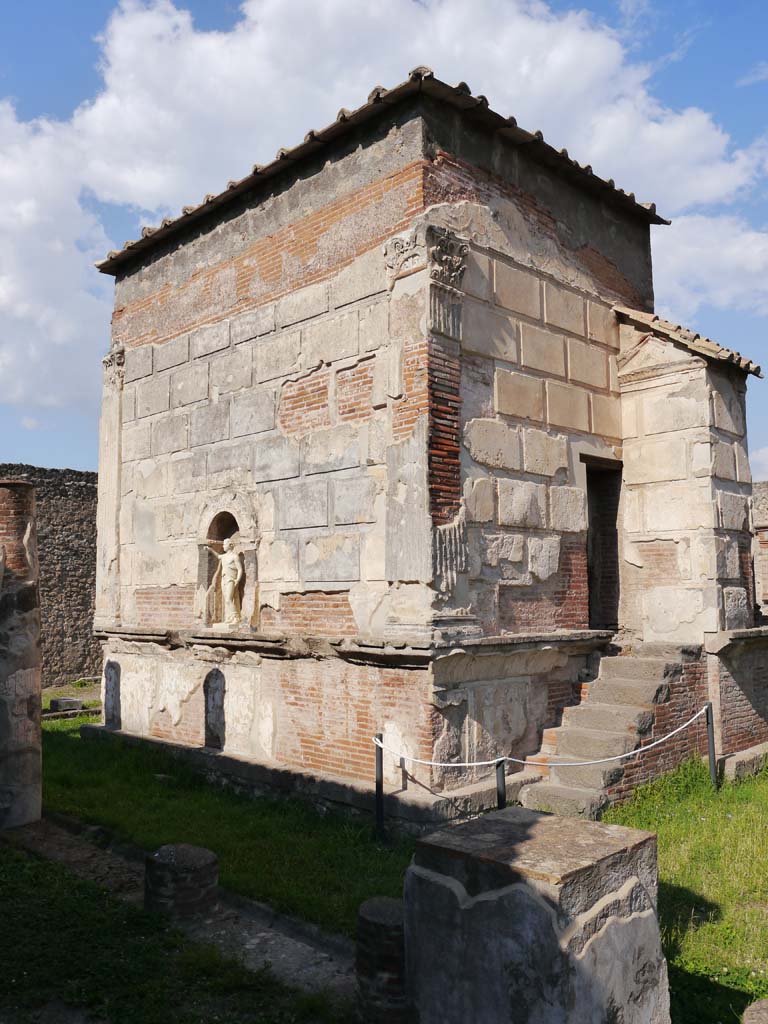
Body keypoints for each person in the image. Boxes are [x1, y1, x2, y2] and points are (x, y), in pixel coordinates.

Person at [206, 538, 244, 625]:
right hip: (224, 579)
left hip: (231, 580)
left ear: (230, 545)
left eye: (224, 544)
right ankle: (231, 616)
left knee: (228, 599)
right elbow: (217, 555)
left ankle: (236, 617)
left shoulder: (235, 556)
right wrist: (210, 549)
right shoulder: (224, 556)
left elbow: (240, 569)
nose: (223, 546)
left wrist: (237, 580)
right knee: (227, 599)